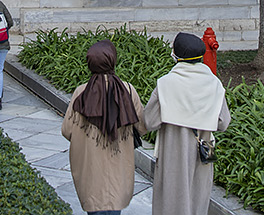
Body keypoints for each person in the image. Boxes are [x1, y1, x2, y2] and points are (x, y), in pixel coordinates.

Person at [142, 32, 230, 215]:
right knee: (198, 199)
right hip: (203, 152)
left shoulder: (166, 84)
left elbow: (149, 122)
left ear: (176, 56)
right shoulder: (214, 84)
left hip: (172, 153)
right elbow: (223, 123)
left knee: (171, 202)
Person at [61, 40, 144, 215]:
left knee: (95, 205)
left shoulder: (81, 93)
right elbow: (142, 127)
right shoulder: (128, 90)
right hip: (119, 167)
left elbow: (67, 130)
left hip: (90, 169)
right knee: (114, 205)